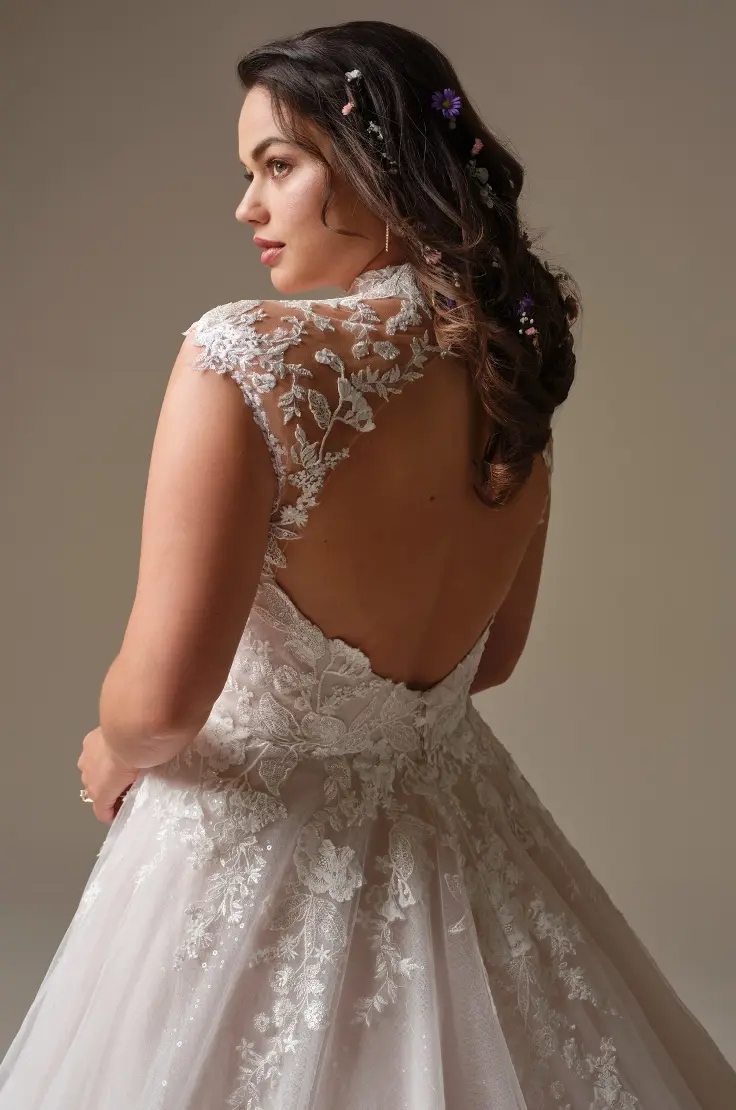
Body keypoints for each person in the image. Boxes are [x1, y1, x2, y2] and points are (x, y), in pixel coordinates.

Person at [1, 18, 734, 1110]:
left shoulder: (244, 356)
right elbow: (489, 663)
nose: (246, 206)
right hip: (459, 841)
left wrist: (112, 745)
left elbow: (158, 709)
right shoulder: (507, 378)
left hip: (250, 850)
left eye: (278, 166)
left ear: (376, 160)